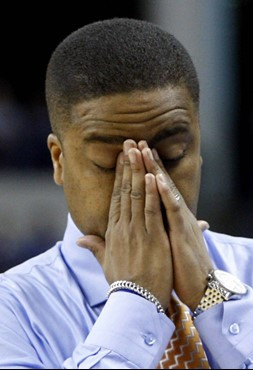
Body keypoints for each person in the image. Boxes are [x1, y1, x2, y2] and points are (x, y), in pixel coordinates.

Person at [0, 18, 252, 370]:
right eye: (110, 164)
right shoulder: (11, 311)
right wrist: (136, 302)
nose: (149, 181)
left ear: (197, 149)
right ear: (59, 160)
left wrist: (213, 297)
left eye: (173, 154)